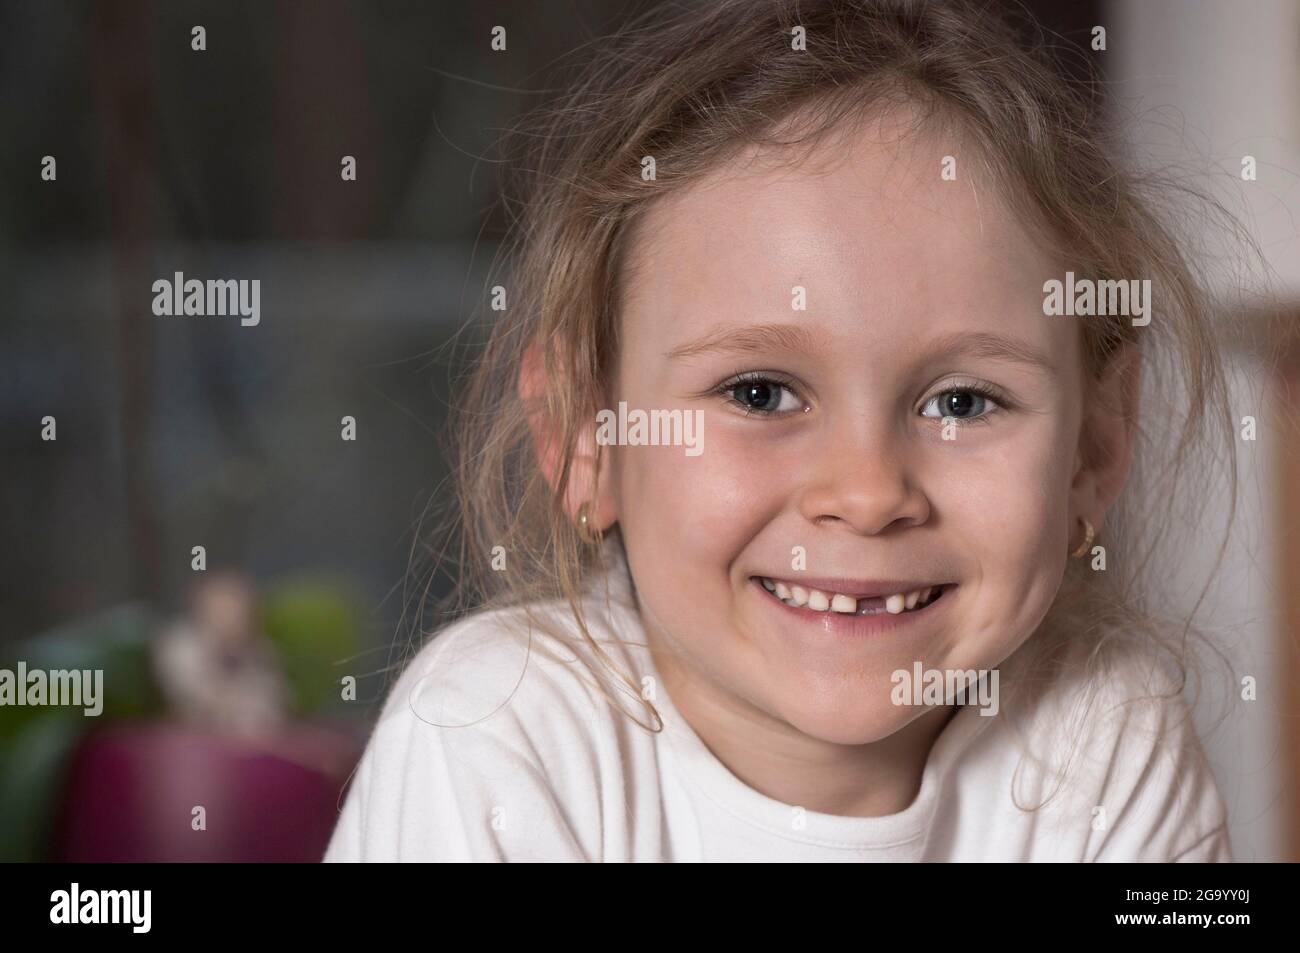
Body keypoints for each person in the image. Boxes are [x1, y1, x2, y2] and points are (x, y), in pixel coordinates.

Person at [326, 0, 1237, 861]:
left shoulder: (1107, 740)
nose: (868, 492)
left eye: (963, 402)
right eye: (760, 393)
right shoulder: (494, 729)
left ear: (1096, 444)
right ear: (583, 430)